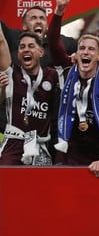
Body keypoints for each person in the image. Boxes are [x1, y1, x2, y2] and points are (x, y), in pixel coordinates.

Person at [48, 9, 99, 177]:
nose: (86, 52)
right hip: (68, 157)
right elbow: (52, 41)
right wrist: (59, 11)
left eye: (91, 49)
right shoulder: (67, 72)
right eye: (82, 48)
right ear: (77, 54)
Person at [0, 27, 59, 165]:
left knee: (41, 187)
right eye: (22, 47)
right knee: (7, 185)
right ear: (18, 53)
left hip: (41, 147)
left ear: (41, 52)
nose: (26, 49)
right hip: (13, 145)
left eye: (31, 46)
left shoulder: (53, 76)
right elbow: (1, 41)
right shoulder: (12, 74)